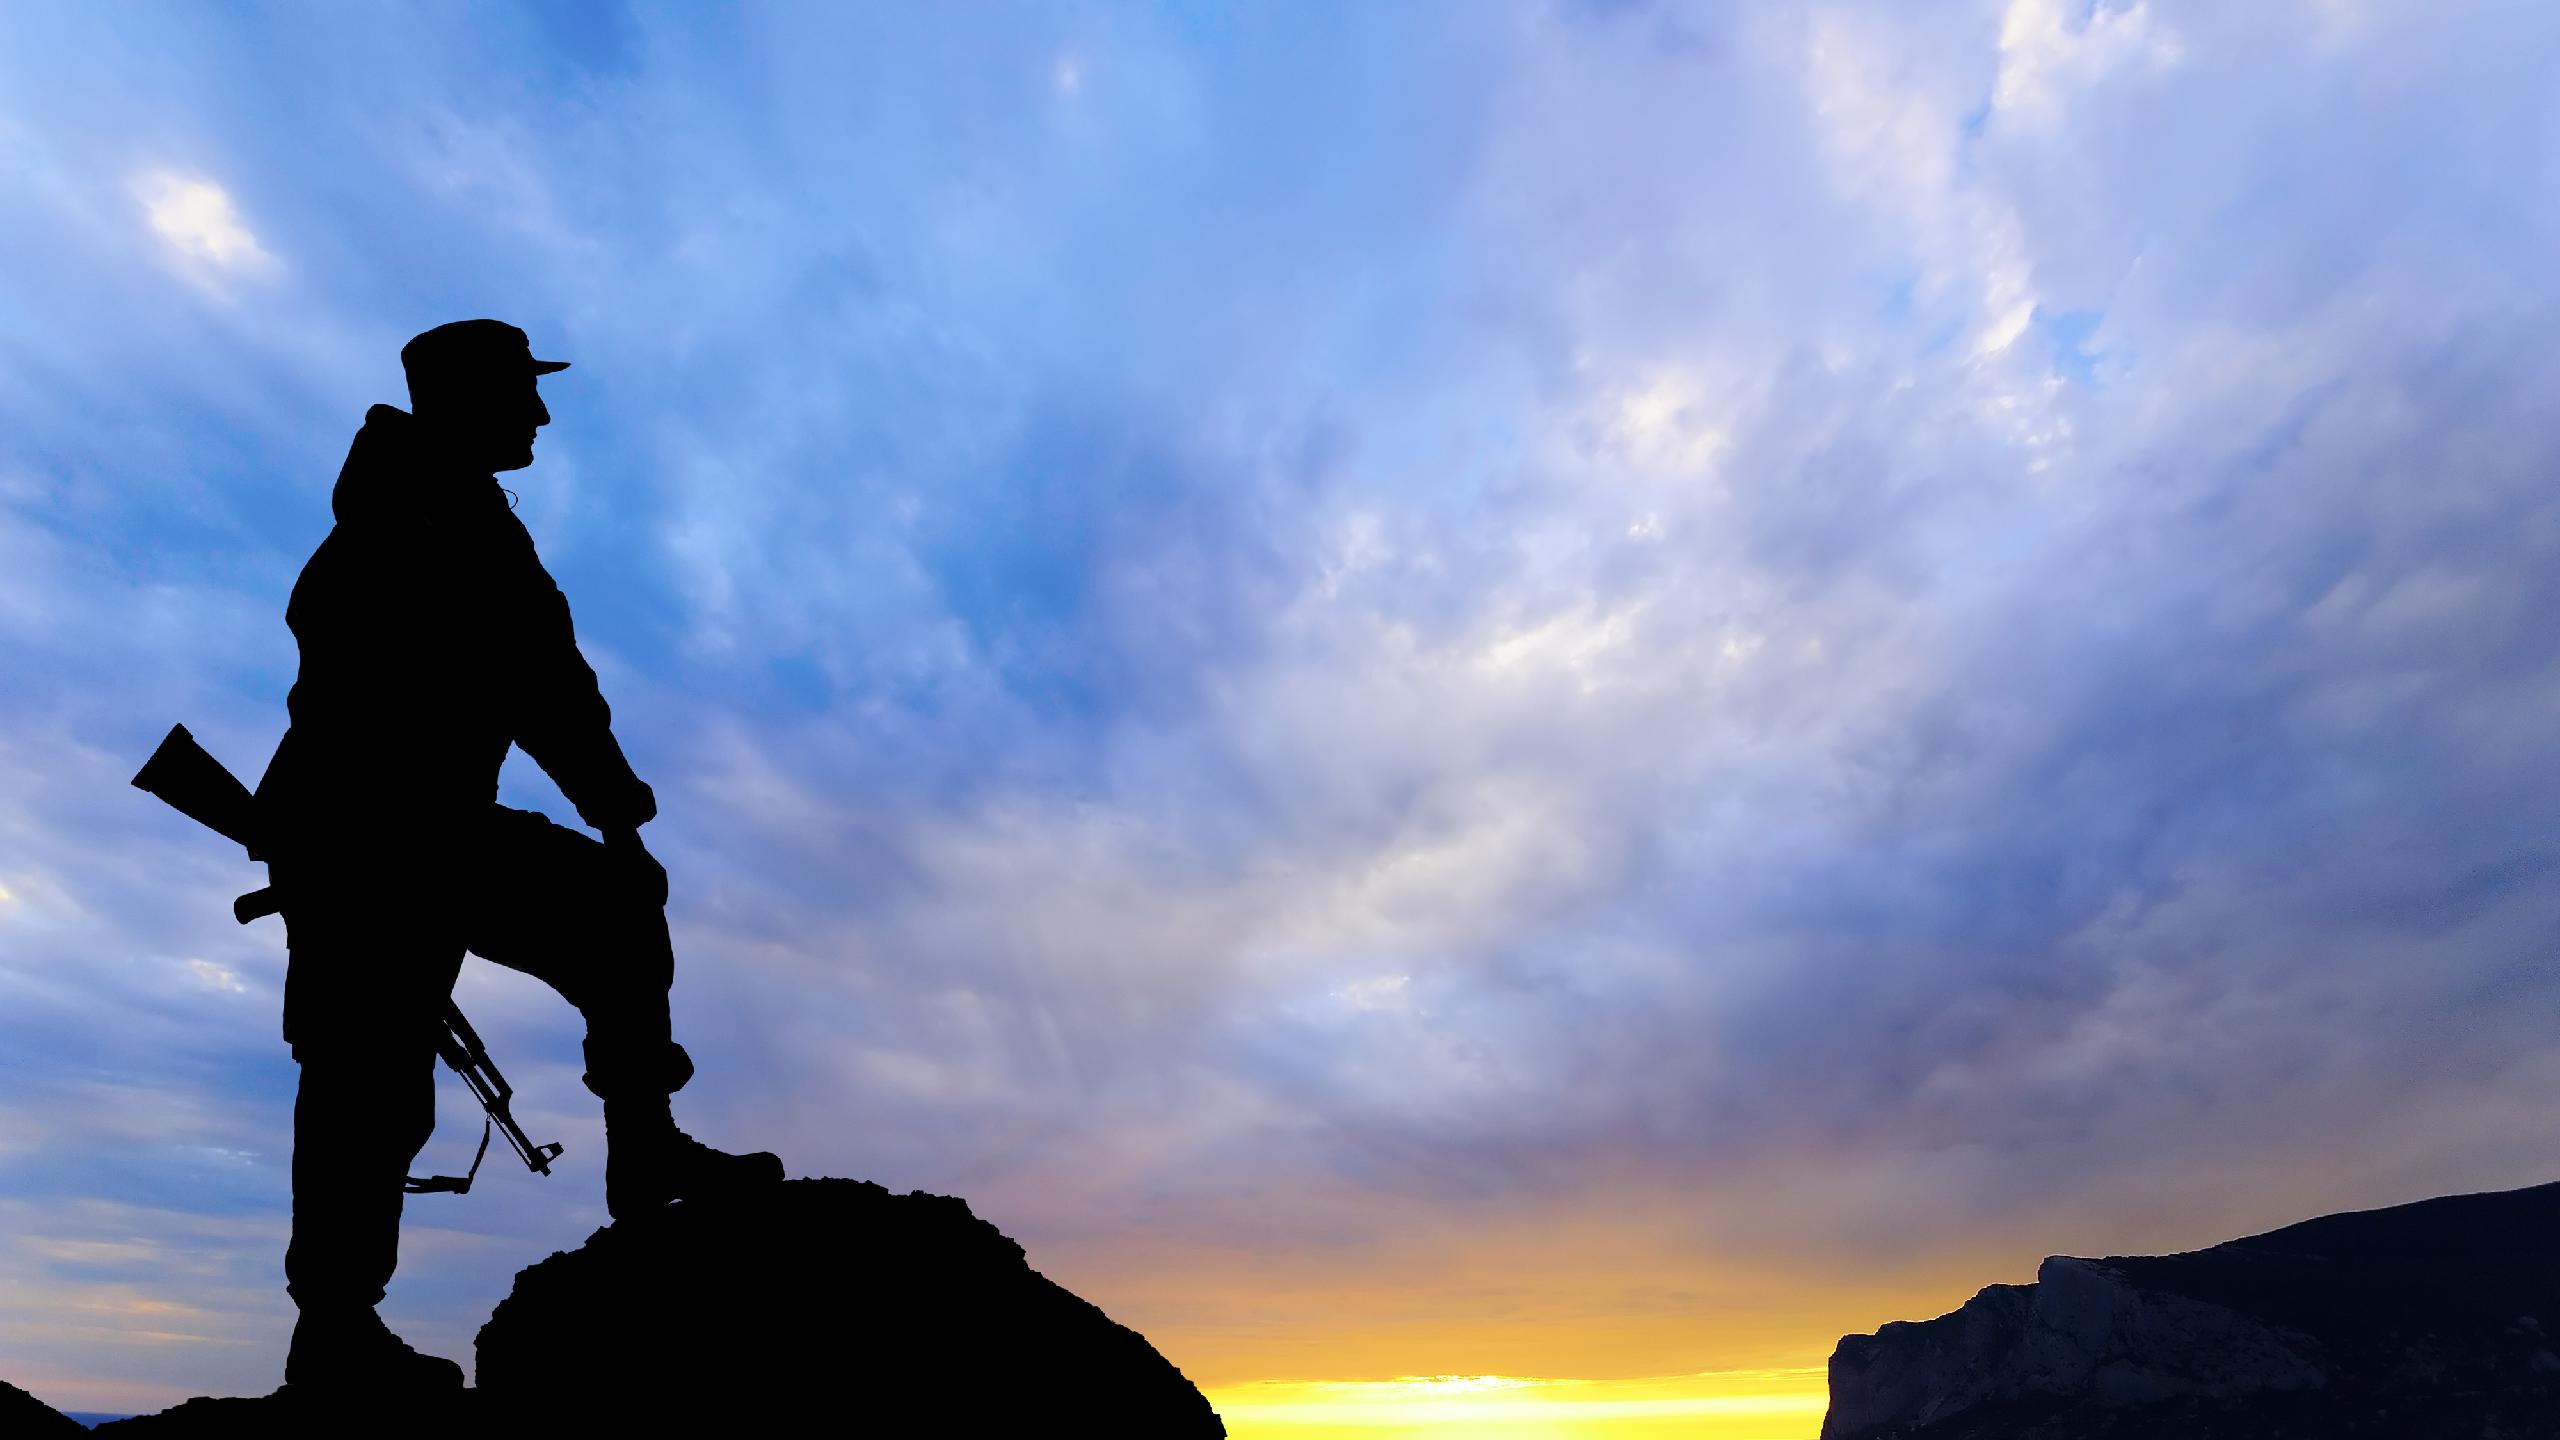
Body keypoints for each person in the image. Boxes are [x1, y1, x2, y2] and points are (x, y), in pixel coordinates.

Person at [253, 319, 783, 1394]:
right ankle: (337, 1334)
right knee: (368, 1072)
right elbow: (451, 678)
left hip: (439, 826)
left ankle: (646, 1154)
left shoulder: (476, 521)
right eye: (520, 395)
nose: (540, 415)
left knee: (617, 908)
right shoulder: (393, 521)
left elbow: (544, 677)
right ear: (464, 402)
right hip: (363, 835)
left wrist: (616, 815)